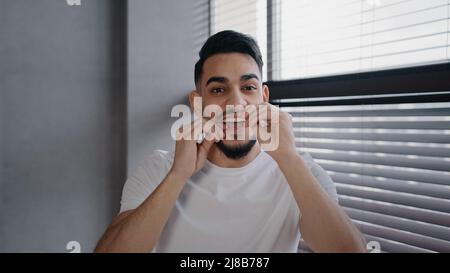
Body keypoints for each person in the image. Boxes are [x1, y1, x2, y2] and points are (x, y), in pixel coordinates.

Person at [95, 30, 366, 253]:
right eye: (218, 90)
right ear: (197, 103)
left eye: (248, 87)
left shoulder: (301, 171)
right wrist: (178, 175)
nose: (236, 103)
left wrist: (289, 160)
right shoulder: (159, 170)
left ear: (264, 97)